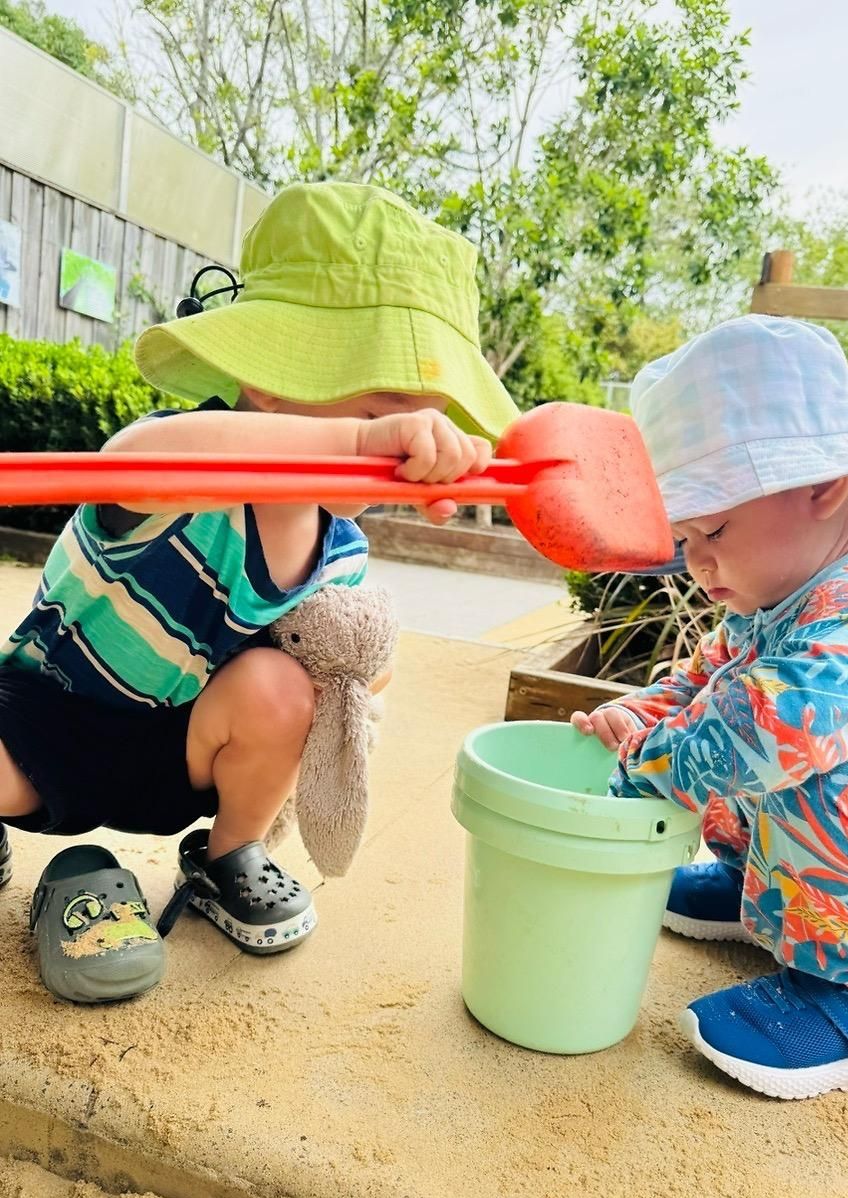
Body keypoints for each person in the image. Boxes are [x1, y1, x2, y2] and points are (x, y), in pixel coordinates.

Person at [2, 182, 518, 997]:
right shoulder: (184, 475)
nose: (407, 444)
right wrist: (349, 439)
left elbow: (335, 665)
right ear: (273, 380)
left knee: (284, 689)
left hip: (186, 753)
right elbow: (137, 460)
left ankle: (226, 857)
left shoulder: (339, 549)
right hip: (48, 717)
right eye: (390, 409)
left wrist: (354, 703)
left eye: (428, 417)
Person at [572, 314, 848, 1099]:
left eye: (712, 528)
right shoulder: (765, 606)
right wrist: (642, 717)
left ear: (822, 487)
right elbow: (697, 685)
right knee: (716, 709)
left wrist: (653, 764)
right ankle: (764, 892)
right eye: (684, 539)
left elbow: (773, 728)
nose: (696, 561)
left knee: (799, 751)